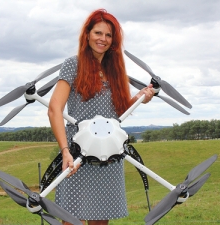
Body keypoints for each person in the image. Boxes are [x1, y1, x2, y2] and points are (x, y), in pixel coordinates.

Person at [48, 9, 154, 225]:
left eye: (108, 35)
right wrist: (65, 152)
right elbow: (54, 108)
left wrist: (140, 98)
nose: (102, 39)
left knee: (100, 221)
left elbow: (118, 113)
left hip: (108, 154)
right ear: (87, 34)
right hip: (78, 155)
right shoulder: (73, 64)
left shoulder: (115, 70)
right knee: (71, 220)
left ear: (113, 40)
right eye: (98, 33)